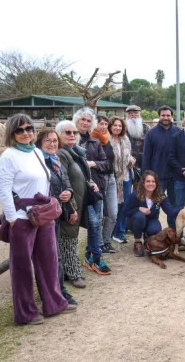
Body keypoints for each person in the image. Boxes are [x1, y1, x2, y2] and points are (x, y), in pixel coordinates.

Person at [0, 114, 74, 325]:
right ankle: (25, 313)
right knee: (22, 267)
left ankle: (54, 303)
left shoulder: (37, 153)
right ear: (12, 133)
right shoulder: (9, 157)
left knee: (48, 261)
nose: (26, 133)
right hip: (22, 217)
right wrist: (13, 219)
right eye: (20, 130)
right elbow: (3, 190)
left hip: (43, 215)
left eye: (29, 128)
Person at [36, 129, 78, 306]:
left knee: (56, 254)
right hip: (46, 213)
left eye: (54, 140)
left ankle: (59, 290)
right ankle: (57, 292)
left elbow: (66, 182)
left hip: (59, 211)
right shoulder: (38, 163)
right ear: (40, 143)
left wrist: (69, 193)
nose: (52, 144)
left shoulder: (56, 161)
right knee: (52, 255)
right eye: (48, 141)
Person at [73, 107, 112, 275]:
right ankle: (97, 257)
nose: (85, 123)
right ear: (77, 121)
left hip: (95, 189)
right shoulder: (70, 140)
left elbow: (106, 164)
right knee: (94, 223)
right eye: (83, 120)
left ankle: (90, 255)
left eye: (89, 121)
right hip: (78, 190)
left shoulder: (95, 142)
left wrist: (92, 164)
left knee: (95, 224)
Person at [119, 170, 185, 257]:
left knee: (155, 230)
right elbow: (124, 212)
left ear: (156, 183)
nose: (151, 184)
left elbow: (171, 212)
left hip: (151, 219)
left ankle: (148, 238)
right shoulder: (134, 195)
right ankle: (137, 242)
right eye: (148, 181)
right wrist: (138, 208)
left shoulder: (160, 195)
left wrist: (183, 208)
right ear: (143, 182)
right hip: (135, 221)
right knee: (140, 216)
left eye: (153, 181)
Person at [55, 120, 89, 289]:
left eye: (74, 132)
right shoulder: (62, 153)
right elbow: (64, 181)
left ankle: (70, 271)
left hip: (77, 201)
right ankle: (74, 274)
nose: (72, 135)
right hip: (70, 203)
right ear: (59, 135)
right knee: (68, 238)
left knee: (70, 237)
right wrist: (71, 206)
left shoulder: (74, 152)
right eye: (67, 132)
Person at [143, 105, 180, 206]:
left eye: (168, 115)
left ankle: (172, 222)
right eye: (163, 115)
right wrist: (147, 175)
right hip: (157, 177)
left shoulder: (178, 132)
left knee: (174, 204)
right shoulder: (151, 134)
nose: (166, 117)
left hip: (174, 176)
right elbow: (146, 156)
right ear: (159, 116)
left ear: (172, 116)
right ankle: (154, 222)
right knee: (155, 204)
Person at [92, 115, 118, 254]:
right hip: (98, 179)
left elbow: (110, 161)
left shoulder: (107, 139)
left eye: (105, 124)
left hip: (111, 177)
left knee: (113, 213)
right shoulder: (91, 140)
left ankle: (106, 240)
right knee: (100, 214)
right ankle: (100, 243)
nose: (103, 126)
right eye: (100, 123)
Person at [109, 117, 135, 244]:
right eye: (115, 125)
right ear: (110, 126)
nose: (117, 128)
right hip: (112, 177)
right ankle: (111, 231)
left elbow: (128, 154)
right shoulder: (106, 140)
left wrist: (131, 159)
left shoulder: (125, 139)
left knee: (124, 204)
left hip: (126, 175)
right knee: (113, 205)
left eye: (120, 125)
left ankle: (120, 232)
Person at [125, 105, 149, 177]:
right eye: (130, 113)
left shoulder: (146, 127)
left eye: (135, 112)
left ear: (139, 114)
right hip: (127, 161)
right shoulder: (122, 128)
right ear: (127, 115)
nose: (133, 115)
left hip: (144, 160)